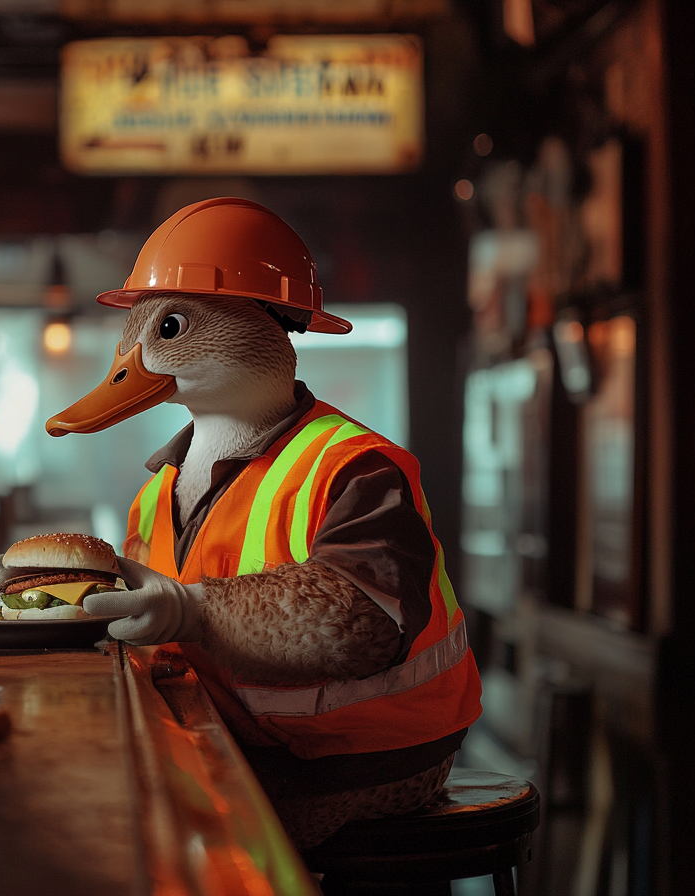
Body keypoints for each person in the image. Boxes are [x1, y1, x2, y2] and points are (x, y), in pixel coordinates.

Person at [46, 197, 482, 849]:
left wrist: (189, 612)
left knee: (155, 839)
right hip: (230, 740)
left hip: (353, 761)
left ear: (262, 328)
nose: (127, 366)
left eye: (167, 329)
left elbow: (358, 623)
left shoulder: (353, 468)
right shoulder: (156, 490)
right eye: (129, 342)